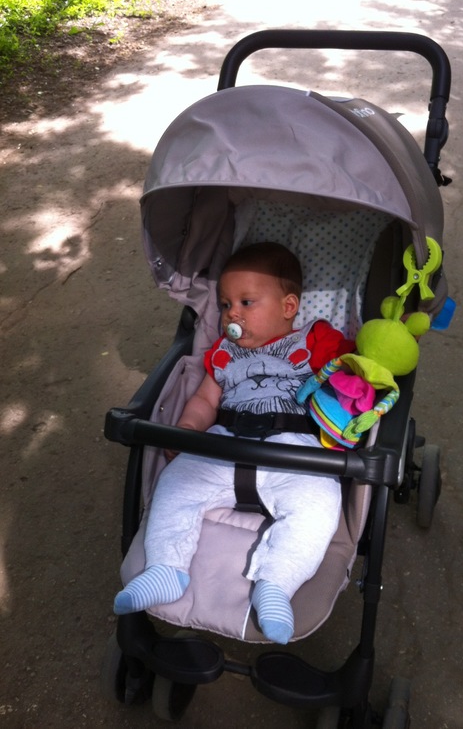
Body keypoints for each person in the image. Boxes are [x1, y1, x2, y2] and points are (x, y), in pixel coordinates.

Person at [113, 242, 355, 644]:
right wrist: (188, 427)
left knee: (318, 505)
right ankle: (166, 568)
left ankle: (276, 584)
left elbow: (357, 364)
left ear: (289, 307)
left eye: (246, 302)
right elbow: (206, 399)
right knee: (175, 486)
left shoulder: (315, 341)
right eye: (225, 305)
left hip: (295, 450)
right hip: (224, 442)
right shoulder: (224, 354)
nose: (232, 315)